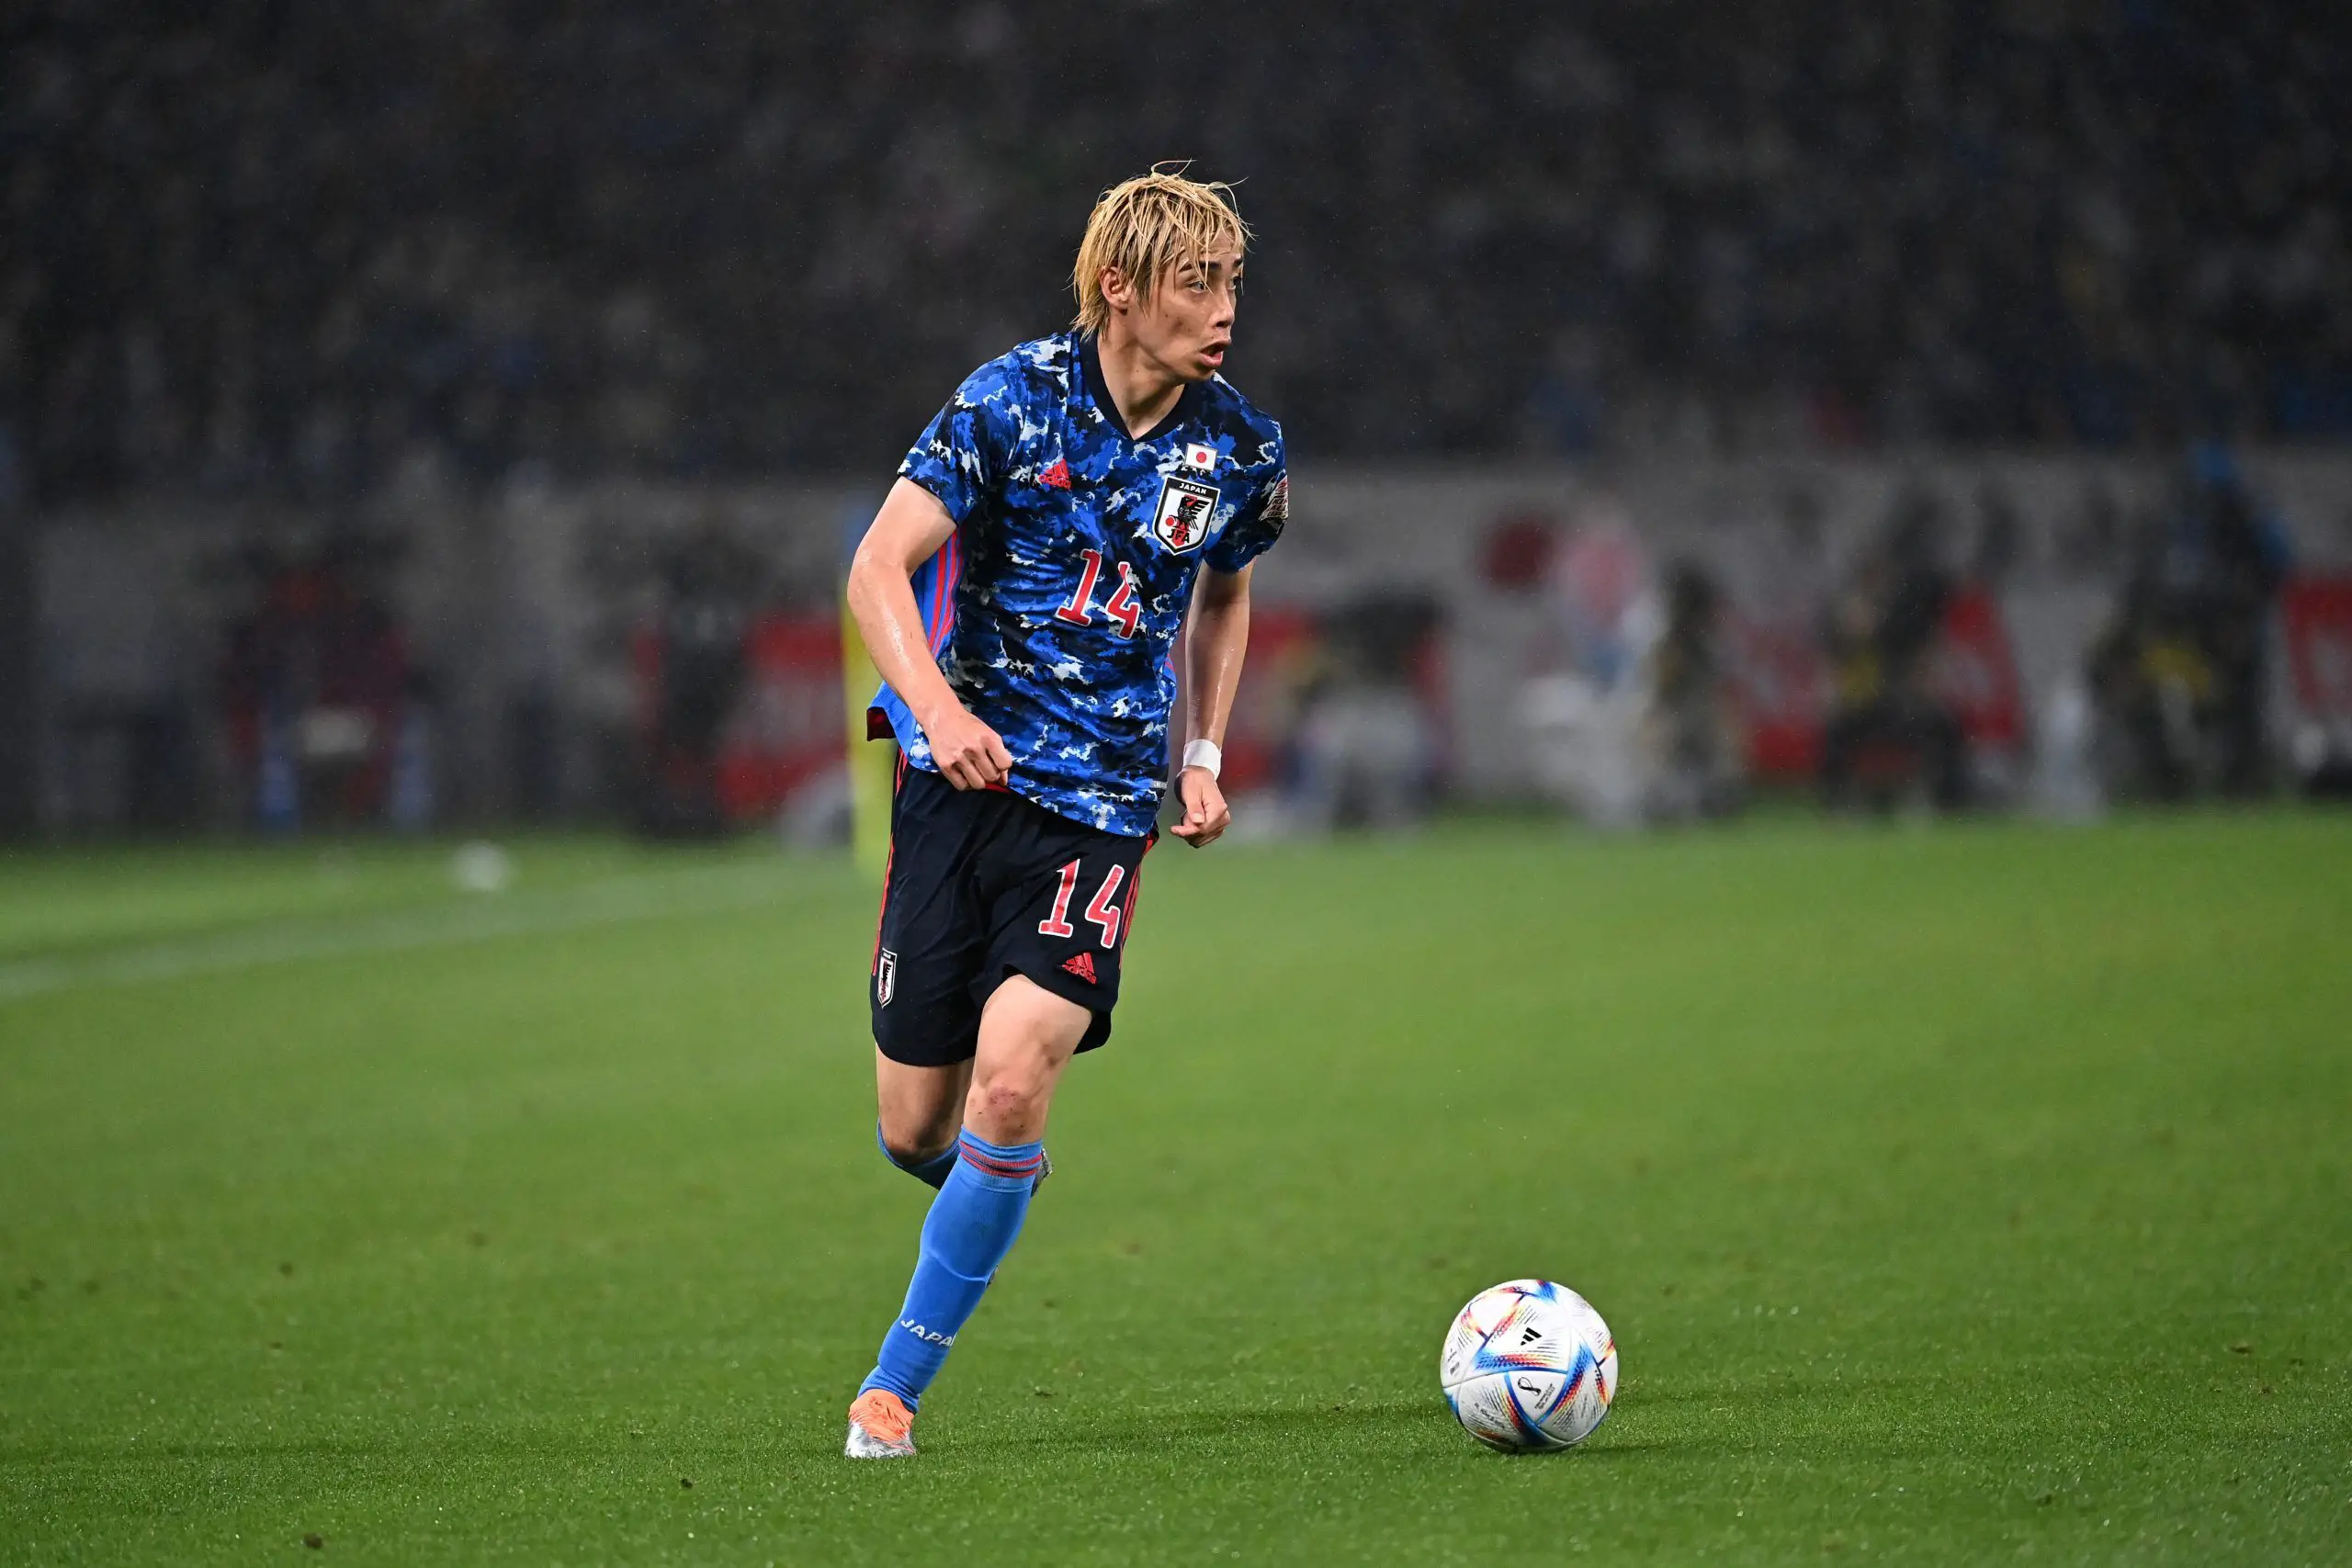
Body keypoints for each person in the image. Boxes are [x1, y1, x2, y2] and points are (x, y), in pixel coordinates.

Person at [837, 170, 1287, 1459]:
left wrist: (1201, 754)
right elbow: (877, 568)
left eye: (1231, 283)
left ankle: (892, 1390)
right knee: (914, 1127)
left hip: (1097, 812)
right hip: (957, 789)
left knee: (1015, 1074)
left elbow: (1224, 594)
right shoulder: (1009, 400)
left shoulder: (1239, 447)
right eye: (1196, 284)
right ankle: (997, 1178)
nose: (1224, 310)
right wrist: (938, 711)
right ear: (1118, 289)